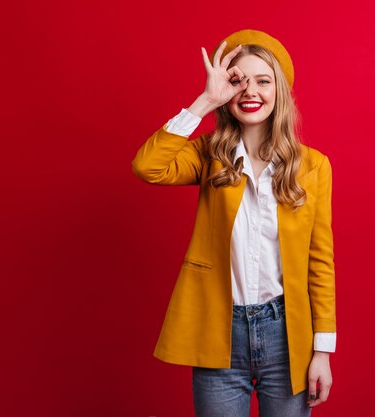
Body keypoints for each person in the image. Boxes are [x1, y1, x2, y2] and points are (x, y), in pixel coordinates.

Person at [131, 29, 337, 417]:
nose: (250, 91)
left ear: (281, 90)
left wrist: (322, 351)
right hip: (218, 329)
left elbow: (320, 263)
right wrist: (205, 101)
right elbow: (148, 167)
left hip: (286, 334)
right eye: (238, 81)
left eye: (263, 80)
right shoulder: (210, 155)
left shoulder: (313, 167)